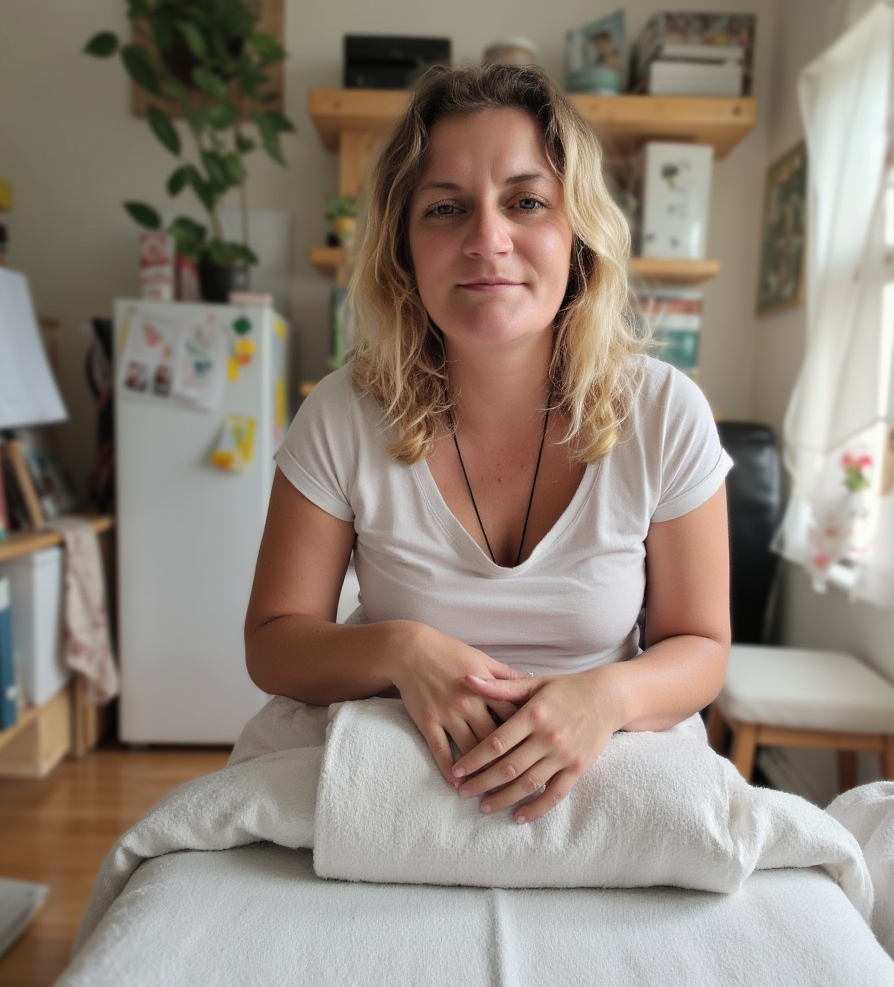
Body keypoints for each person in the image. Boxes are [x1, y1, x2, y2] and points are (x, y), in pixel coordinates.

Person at [245, 63, 731, 825]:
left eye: (526, 202)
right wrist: (400, 650)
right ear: (404, 246)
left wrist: (607, 696)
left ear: (579, 236)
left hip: (605, 773)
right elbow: (273, 645)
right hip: (390, 781)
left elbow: (701, 647)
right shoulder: (342, 413)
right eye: (445, 208)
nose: (487, 240)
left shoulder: (666, 412)